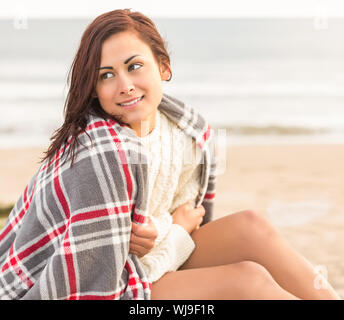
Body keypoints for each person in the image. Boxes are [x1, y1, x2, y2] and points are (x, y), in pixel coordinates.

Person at [0, 9, 341, 300]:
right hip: (100, 285)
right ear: (93, 88)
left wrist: (164, 231)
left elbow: (188, 219)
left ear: (163, 67)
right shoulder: (103, 155)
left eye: (134, 66)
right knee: (247, 280)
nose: (125, 85)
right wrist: (174, 231)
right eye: (107, 75)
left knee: (251, 225)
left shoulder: (185, 130)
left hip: (149, 260)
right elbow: (97, 283)